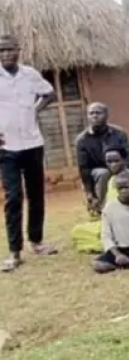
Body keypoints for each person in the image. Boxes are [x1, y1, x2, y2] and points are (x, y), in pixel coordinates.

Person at [0, 34, 58, 272]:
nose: (6, 54)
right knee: (13, 197)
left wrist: (35, 110)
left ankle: (37, 241)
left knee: (36, 194)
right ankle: (15, 252)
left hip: (33, 143)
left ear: (18, 50)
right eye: (1, 51)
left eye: (10, 49)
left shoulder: (30, 74)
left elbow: (49, 93)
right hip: (7, 147)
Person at [71, 146, 129, 254]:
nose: (113, 165)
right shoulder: (111, 180)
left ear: (124, 160)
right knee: (77, 230)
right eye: (109, 162)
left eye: (116, 161)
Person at [75, 102, 129, 215]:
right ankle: (102, 209)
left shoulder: (119, 133)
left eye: (98, 113)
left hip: (120, 167)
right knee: (104, 173)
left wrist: (123, 169)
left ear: (106, 115)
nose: (94, 116)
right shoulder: (82, 139)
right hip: (97, 171)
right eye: (91, 113)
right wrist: (89, 192)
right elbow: (83, 168)